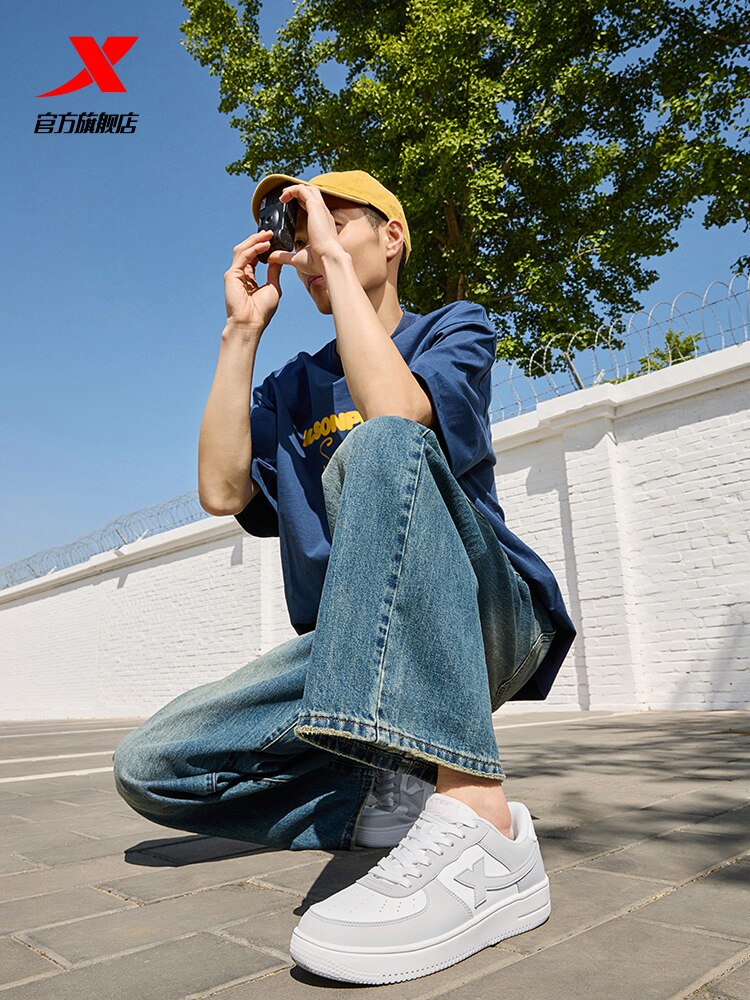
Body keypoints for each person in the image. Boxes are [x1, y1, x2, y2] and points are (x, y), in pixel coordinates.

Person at [112, 169, 576, 985]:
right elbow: (222, 491)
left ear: (392, 237)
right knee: (152, 766)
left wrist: (323, 250)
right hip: (348, 650)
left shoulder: (454, 328)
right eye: (299, 230)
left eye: (332, 220)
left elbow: (398, 413)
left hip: (481, 617)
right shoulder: (291, 387)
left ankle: (481, 820)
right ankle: (388, 792)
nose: (308, 245)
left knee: (382, 443)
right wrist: (241, 332)